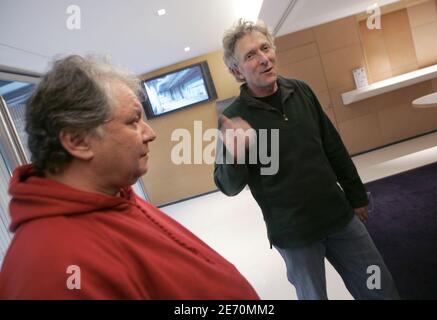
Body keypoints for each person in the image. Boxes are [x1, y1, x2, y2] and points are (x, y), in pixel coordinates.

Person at [0, 55, 259, 300]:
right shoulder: (50, 270)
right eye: (133, 121)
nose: (150, 133)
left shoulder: (114, 194)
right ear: (78, 141)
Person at [214, 19, 399, 300]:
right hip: (294, 236)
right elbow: (227, 186)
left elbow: (332, 146)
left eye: (265, 48)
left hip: (339, 217)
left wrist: (356, 195)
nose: (263, 59)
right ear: (236, 71)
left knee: (378, 286)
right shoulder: (234, 120)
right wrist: (235, 155)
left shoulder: (300, 90)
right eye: (251, 55)